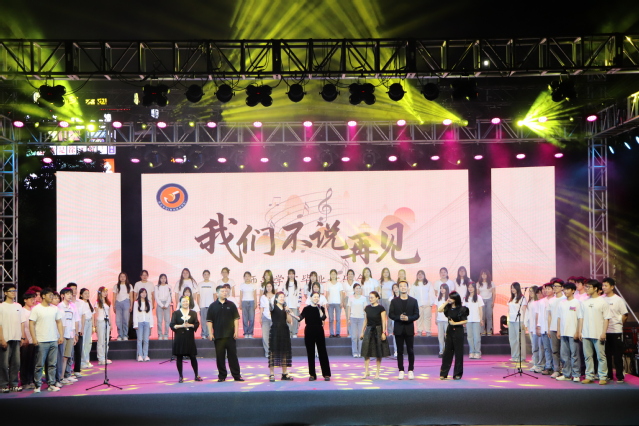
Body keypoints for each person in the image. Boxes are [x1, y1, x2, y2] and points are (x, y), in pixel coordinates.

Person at [290, 292, 331, 381]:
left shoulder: (321, 308)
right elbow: (300, 318)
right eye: (314, 297)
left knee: (322, 352)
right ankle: (312, 374)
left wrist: (319, 309)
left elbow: (323, 318)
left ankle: (326, 374)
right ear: (311, 298)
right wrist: (292, 315)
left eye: (317, 297)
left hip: (319, 330)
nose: (316, 298)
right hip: (309, 331)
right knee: (310, 353)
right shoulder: (306, 309)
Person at [29, 288, 64, 393]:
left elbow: (59, 322)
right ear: (43, 296)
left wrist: (61, 336)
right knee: (39, 364)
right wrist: (34, 338)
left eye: (52, 295)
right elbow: (31, 323)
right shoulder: (36, 309)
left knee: (52, 364)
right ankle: (38, 385)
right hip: (41, 340)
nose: (52, 297)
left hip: (53, 339)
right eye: (50, 295)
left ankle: (51, 384)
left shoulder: (55, 309)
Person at [207, 285, 243, 382]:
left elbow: (236, 319)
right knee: (220, 357)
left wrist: (236, 331)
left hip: (230, 335)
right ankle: (222, 376)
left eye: (225, 291)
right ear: (217, 293)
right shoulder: (212, 306)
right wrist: (210, 333)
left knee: (233, 356)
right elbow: (209, 321)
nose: (224, 293)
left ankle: (236, 375)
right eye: (222, 291)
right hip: (218, 336)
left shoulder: (231, 305)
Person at [580, 279, 611, 385]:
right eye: (586, 287)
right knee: (587, 356)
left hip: (598, 333)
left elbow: (606, 318)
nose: (586, 289)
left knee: (601, 356)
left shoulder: (602, 302)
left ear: (596, 289)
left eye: (589, 287)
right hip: (586, 333)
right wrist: (580, 331)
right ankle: (589, 376)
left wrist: (604, 332)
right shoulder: (584, 302)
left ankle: (603, 376)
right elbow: (581, 318)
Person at [389, 281, 419, 380]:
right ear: (398, 288)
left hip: (409, 328)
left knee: (410, 350)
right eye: (401, 286)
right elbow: (391, 314)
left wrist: (409, 318)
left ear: (407, 287)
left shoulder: (413, 301)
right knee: (399, 351)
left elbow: (416, 314)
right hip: (398, 328)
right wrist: (399, 317)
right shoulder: (394, 301)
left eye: (404, 286)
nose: (403, 288)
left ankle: (410, 370)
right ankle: (401, 370)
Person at [602, 277, 628, 383]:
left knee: (617, 355)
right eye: (603, 285)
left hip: (616, 331)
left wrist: (619, 324)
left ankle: (619, 376)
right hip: (604, 331)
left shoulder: (618, 300)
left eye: (606, 285)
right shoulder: (601, 299)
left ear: (612, 287)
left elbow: (625, 315)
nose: (604, 287)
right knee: (606, 355)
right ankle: (609, 375)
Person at [170, 295, 202, 383]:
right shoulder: (176, 313)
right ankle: (180, 376)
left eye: (187, 301)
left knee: (193, 356)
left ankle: (196, 375)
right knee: (179, 357)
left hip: (189, 337)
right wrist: (182, 326)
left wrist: (190, 325)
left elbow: (196, 324)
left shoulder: (193, 313)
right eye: (183, 301)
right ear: (180, 303)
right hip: (179, 337)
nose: (185, 303)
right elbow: (172, 325)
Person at [0, 284, 26, 392]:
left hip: (16, 338)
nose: (13, 293)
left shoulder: (18, 306)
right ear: (5, 293)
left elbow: (22, 322)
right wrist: (1, 338)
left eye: (15, 291)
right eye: (11, 291)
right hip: (5, 338)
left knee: (16, 363)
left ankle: (14, 383)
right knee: (4, 363)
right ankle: (3, 385)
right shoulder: (1, 306)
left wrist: (22, 337)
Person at [556, 282, 583, 382]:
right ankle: (566, 374)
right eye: (564, 289)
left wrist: (578, 331)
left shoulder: (577, 303)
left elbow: (580, 318)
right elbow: (559, 318)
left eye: (567, 289)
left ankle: (576, 374)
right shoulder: (561, 303)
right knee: (564, 355)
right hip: (563, 332)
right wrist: (558, 330)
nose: (565, 291)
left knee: (574, 354)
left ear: (573, 291)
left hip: (573, 332)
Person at [439, 291, 469, 380]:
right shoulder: (448, 308)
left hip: (458, 331)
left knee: (458, 352)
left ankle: (457, 373)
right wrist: (446, 302)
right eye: (449, 297)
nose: (450, 299)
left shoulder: (462, 309)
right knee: (447, 352)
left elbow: (465, 320)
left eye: (451, 298)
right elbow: (439, 309)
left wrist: (455, 323)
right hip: (450, 331)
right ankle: (443, 373)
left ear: (456, 299)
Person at [360, 291, 390, 380]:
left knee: (378, 352)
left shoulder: (381, 308)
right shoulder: (367, 308)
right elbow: (366, 320)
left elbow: (383, 321)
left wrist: (383, 332)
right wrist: (362, 331)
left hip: (378, 330)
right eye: (369, 297)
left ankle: (377, 372)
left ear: (377, 298)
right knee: (366, 351)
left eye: (372, 297)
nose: (370, 299)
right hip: (369, 330)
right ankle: (366, 371)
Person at [266, 292, 294, 382]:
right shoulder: (273, 307)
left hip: (284, 331)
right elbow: (270, 307)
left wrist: (288, 312)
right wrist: (269, 300)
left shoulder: (285, 308)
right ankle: (271, 374)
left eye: (283, 297)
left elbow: (289, 321)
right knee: (273, 352)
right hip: (275, 330)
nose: (282, 298)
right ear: (276, 299)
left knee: (284, 352)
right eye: (280, 297)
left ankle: (284, 373)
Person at [56, 287, 79, 386]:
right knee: (61, 357)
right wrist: (60, 335)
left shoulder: (72, 307)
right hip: (62, 335)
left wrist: (74, 335)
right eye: (68, 294)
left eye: (71, 294)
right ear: (62, 295)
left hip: (70, 334)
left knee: (66, 357)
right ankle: (59, 377)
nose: (70, 295)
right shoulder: (59, 307)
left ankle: (63, 377)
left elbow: (73, 322)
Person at [547, 279, 566, 378]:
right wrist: (549, 328)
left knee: (564, 351)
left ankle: (565, 370)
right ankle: (556, 370)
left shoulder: (565, 299)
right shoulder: (551, 300)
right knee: (554, 350)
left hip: (563, 328)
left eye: (557, 286)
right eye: (554, 286)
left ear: (562, 287)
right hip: (553, 328)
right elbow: (549, 315)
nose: (555, 288)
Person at [20, 291, 37, 389]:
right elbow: (22, 325)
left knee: (33, 362)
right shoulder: (22, 311)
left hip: (34, 339)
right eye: (31, 299)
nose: (33, 301)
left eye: (34, 299)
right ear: (25, 300)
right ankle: (24, 381)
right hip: (26, 340)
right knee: (25, 362)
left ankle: (31, 380)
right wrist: (24, 337)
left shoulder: (34, 310)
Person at [463, 281, 484, 359]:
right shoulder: (465, 298)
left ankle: (477, 352)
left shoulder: (478, 297)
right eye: (469, 287)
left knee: (477, 337)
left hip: (476, 320)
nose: (470, 288)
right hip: (468, 320)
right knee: (470, 337)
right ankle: (471, 351)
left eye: (472, 287)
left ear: (475, 288)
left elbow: (480, 309)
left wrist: (481, 319)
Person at [507, 282, 528, 362]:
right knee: (512, 339)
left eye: (514, 288)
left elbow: (524, 311)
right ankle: (514, 356)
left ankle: (521, 356)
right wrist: (508, 320)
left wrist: (524, 323)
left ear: (517, 288)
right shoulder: (511, 299)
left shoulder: (522, 298)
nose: (512, 289)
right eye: (511, 288)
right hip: (511, 321)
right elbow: (508, 311)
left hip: (519, 321)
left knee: (520, 339)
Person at [133, 288, 154, 362]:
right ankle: (140, 355)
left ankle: (145, 355)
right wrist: (135, 324)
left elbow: (150, 313)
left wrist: (151, 324)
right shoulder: (136, 302)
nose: (144, 294)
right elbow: (135, 313)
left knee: (146, 340)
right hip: (139, 322)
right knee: (139, 339)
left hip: (147, 322)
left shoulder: (149, 302)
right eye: (142, 292)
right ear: (139, 294)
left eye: (145, 292)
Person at [410, 270, 433, 336]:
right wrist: (413, 305)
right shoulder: (414, 285)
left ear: (424, 275)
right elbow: (412, 295)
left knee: (427, 318)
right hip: (418, 305)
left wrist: (430, 303)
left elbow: (431, 293)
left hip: (427, 304)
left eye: (421, 274)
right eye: (418, 274)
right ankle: (419, 331)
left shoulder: (428, 283)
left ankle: (428, 331)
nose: (420, 275)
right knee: (419, 318)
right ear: (417, 276)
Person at [538, 283, 554, 375]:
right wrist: (539, 326)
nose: (546, 291)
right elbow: (540, 315)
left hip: (552, 329)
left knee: (554, 349)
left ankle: (556, 367)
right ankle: (548, 366)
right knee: (547, 348)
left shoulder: (556, 300)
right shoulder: (541, 301)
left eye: (548, 289)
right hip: (544, 328)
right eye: (545, 289)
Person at [525, 286, 542, 372]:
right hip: (531, 325)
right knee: (533, 344)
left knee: (537, 346)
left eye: (532, 291)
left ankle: (538, 363)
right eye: (529, 292)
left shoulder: (537, 302)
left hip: (536, 326)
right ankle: (535, 361)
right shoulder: (530, 302)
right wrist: (525, 324)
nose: (530, 293)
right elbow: (527, 314)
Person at [113, 272, 133, 341]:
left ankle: (125, 335)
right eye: (121, 276)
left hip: (126, 302)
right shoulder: (116, 286)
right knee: (118, 320)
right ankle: (120, 335)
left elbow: (131, 296)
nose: (122, 278)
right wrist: (114, 306)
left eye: (124, 276)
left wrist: (131, 305)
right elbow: (114, 296)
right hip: (118, 303)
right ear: (119, 278)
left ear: (126, 278)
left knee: (125, 320)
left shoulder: (129, 286)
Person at [94, 287, 112, 365]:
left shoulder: (108, 302)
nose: (105, 293)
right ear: (100, 293)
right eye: (104, 292)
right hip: (100, 322)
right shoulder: (97, 302)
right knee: (101, 341)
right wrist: (95, 325)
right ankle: (100, 358)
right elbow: (95, 314)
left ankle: (105, 357)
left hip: (106, 322)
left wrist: (110, 324)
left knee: (106, 340)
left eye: (106, 292)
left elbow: (109, 314)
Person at [348, 284, 367, 357]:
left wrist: (366, 319)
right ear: (354, 289)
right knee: (354, 337)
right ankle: (355, 352)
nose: (358, 290)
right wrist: (348, 318)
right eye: (356, 288)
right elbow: (349, 309)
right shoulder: (350, 298)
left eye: (359, 288)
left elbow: (365, 310)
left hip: (361, 318)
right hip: (353, 318)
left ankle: (360, 352)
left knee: (360, 336)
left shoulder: (363, 298)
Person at [78, 288, 95, 369]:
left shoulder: (89, 303)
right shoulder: (80, 303)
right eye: (85, 293)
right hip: (83, 323)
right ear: (81, 295)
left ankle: (87, 360)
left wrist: (93, 326)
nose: (87, 295)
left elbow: (92, 315)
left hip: (89, 322)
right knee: (83, 342)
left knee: (88, 342)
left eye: (88, 293)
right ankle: (82, 361)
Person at [476, 270, 495, 335]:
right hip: (481, 301)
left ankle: (489, 330)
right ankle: (482, 330)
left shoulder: (491, 283)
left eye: (485, 274)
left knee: (489, 316)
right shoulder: (478, 283)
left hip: (489, 300)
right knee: (482, 316)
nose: (484, 275)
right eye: (482, 274)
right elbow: (477, 294)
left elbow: (494, 293)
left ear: (487, 275)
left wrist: (493, 301)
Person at [260, 282, 276, 357]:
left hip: (274, 317)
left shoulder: (275, 296)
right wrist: (260, 317)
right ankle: (267, 352)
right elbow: (261, 308)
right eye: (267, 286)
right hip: (265, 317)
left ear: (272, 287)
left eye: (270, 286)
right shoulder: (263, 297)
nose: (269, 288)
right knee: (265, 336)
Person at [239, 271, 258, 338]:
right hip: (244, 302)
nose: (247, 277)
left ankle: (250, 333)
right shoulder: (242, 285)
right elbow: (241, 295)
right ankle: (246, 333)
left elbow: (255, 295)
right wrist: (240, 303)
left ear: (250, 277)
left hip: (251, 302)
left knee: (251, 318)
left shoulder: (253, 285)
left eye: (248, 276)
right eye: (246, 276)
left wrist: (255, 303)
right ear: (244, 277)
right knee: (245, 318)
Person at [326, 269, 344, 338]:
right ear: (330, 275)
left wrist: (341, 302)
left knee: (338, 319)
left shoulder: (339, 284)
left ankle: (338, 333)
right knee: (331, 319)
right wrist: (327, 302)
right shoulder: (328, 284)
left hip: (338, 303)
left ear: (336, 275)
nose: (333, 275)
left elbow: (341, 294)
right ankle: (331, 333)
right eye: (332, 274)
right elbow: (327, 294)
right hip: (330, 303)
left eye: (334, 274)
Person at [284, 269, 301, 338]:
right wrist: (285, 305)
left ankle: (294, 333)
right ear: (288, 275)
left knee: (295, 319)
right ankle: (289, 332)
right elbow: (283, 295)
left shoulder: (297, 283)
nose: (291, 275)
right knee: (287, 319)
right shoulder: (285, 284)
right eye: (290, 274)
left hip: (295, 305)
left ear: (294, 275)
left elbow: (299, 294)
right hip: (287, 305)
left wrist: (298, 304)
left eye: (292, 274)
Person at [155, 274, 172, 340]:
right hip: (160, 304)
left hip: (167, 304)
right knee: (159, 320)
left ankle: (166, 334)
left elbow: (169, 297)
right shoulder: (157, 287)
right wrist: (161, 305)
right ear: (159, 279)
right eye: (162, 278)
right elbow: (156, 297)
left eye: (164, 278)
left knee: (167, 320)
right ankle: (160, 334)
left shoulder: (169, 286)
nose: (163, 279)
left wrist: (166, 305)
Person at [199, 270, 215, 340]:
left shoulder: (212, 284)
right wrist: (199, 304)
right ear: (203, 275)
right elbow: (198, 295)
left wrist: (215, 304)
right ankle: (204, 334)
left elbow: (214, 294)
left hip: (210, 305)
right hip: (202, 304)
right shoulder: (200, 284)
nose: (206, 276)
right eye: (205, 274)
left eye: (207, 274)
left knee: (210, 320)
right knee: (203, 321)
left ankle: (209, 333)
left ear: (209, 275)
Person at [435, 283, 450, 357]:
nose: (442, 290)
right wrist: (436, 318)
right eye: (441, 288)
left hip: (447, 320)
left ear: (446, 289)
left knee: (447, 336)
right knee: (440, 336)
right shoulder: (438, 298)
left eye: (443, 288)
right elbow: (436, 309)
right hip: (440, 320)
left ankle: (447, 351)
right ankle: (441, 351)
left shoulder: (449, 299)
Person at [342, 269, 358, 336]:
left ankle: (355, 333)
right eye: (349, 274)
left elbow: (359, 292)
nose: (350, 275)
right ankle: (349, 333)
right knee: (348, 317)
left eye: (351, 274)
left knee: (355, 316)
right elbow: (343, 293)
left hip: (355, 299)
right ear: (347, 275)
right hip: (347, 299)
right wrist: (343, 301)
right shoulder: (344, 283)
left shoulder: (356, 283)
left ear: (353, 275)